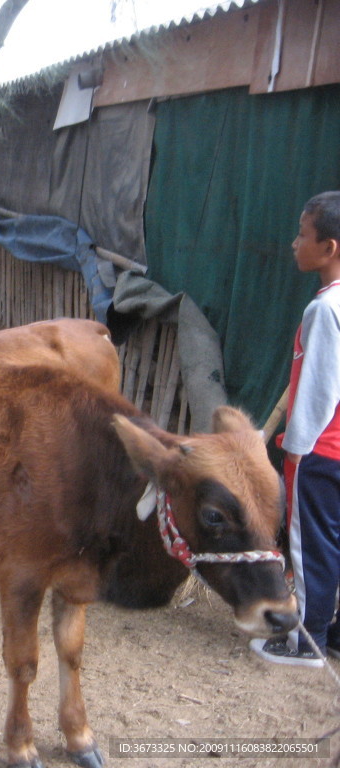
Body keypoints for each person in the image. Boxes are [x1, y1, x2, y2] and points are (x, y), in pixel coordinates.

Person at [251, 191, 340, 669]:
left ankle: (308, 639)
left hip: (321, 450)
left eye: (303, 235)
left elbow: (321, 390)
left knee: (310, 549)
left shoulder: (325, 310)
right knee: (335, 541)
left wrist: (296, 450)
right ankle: (332, 626)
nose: (293, 243)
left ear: (329, 248)